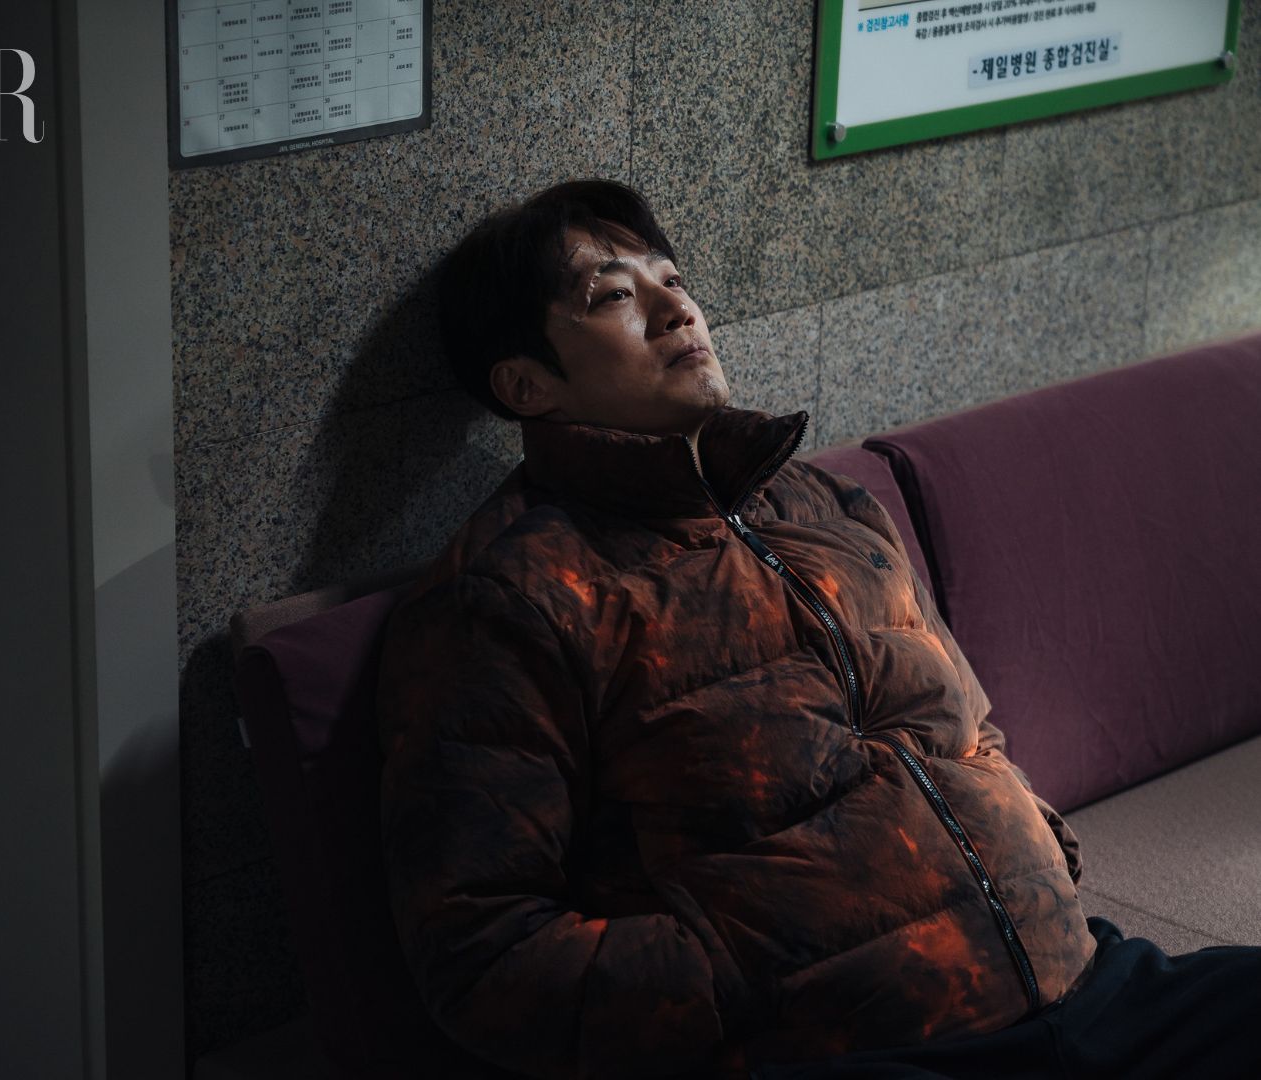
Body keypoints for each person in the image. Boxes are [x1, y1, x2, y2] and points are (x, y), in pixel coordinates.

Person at [374, 179, 1260, 1079]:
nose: (676, 308)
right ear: (526, 385)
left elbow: (966, 728)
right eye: (612, 296)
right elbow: (482, 952)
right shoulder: (512, 599)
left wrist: (1037, 852)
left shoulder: (824, 504)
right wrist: (740, 977)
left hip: (1086, 984)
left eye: (672, 280)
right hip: (860, 1051)